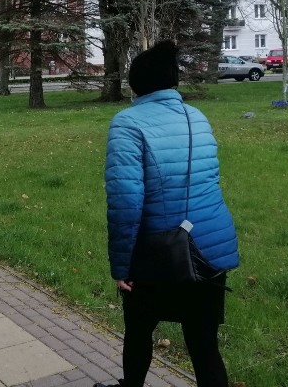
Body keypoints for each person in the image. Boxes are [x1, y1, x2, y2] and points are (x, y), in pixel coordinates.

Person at [96, 40, 239, 387]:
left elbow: (126, 202)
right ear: (173, 81)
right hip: (209, 247)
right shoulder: (197, 117)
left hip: (157, 252)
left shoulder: (127, 123)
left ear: (136, 84)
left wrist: (121, 266)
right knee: (204, 345)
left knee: (139, 332)